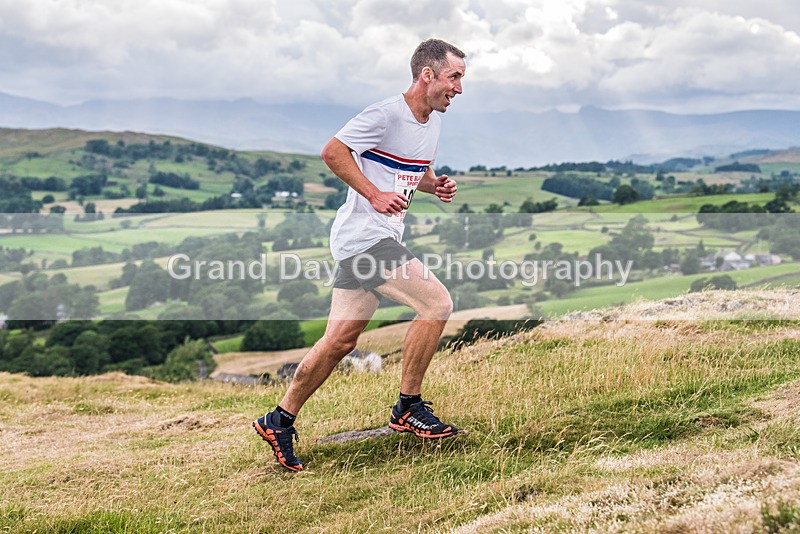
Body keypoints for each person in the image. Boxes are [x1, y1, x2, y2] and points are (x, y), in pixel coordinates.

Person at [253, 38, 466, 472]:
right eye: (454, 77)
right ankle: (408, 406)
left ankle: (279, 419)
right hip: (364, 239)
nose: (459, 88)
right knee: (436, 303)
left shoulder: (431, 122)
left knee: (339, 342)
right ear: (427, 75)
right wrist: (373, 193)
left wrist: (434, 186)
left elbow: (410, 171)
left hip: (370, 238)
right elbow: (333, 152)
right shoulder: (386, 113)